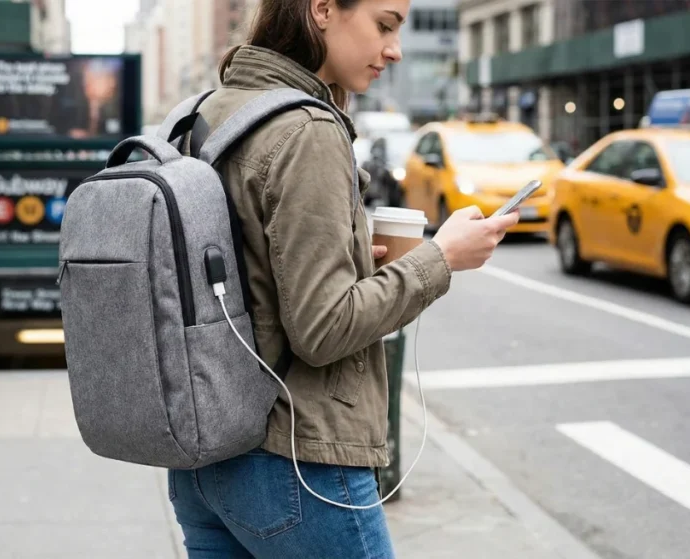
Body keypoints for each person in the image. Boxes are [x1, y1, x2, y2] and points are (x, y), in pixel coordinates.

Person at [164, 1, 520, 557]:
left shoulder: (206, 111)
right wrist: (441, 259)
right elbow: (322, 329)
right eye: (384, 25)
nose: (394, 49)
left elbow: (252, 273)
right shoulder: (306, 129)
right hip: (297, 464)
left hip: (203, 457)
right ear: (323, 10)